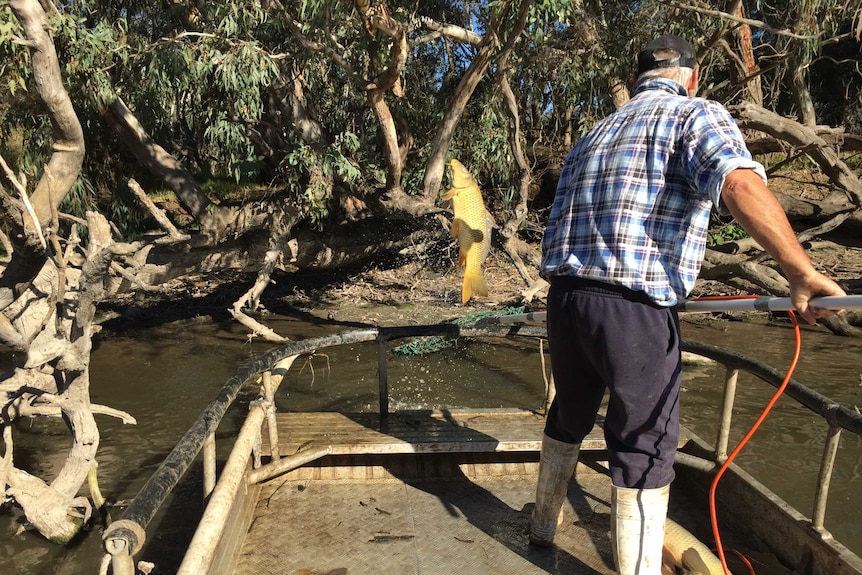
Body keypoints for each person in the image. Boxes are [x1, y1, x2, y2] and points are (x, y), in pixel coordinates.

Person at [530, 33, 846, 574]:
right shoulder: (694, 114)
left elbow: (558, 223)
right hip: (633, 307)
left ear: (636, 80)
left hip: (567, 300)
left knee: (570, 414)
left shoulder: (592, 135)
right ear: (692, 77)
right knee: (645, 445)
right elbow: (738, 184)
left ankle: (541, 527)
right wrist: (801, 271)